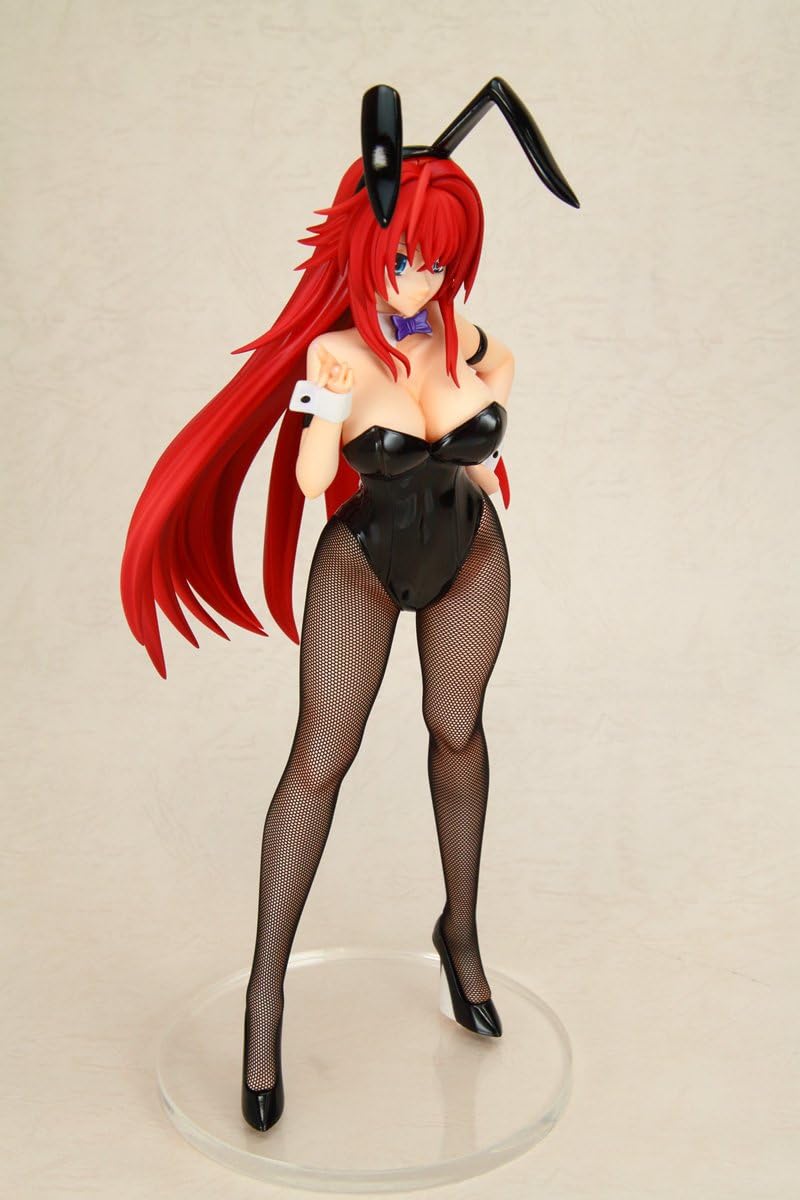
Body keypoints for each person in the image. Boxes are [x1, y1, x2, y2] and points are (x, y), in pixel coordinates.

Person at [120, 80, 578, 1132]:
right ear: (368, 249)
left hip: (469, 552)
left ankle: (459, 937)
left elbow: (488, 435)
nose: (420, 278)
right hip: (363, 560)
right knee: (318, 762)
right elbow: (310, 477)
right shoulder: (338, 355)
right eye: (405, 256)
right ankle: (265, 1000)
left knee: (456, 731)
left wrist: (467, 409)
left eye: (439, 261)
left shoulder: (472, 343)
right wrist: (327, 412)